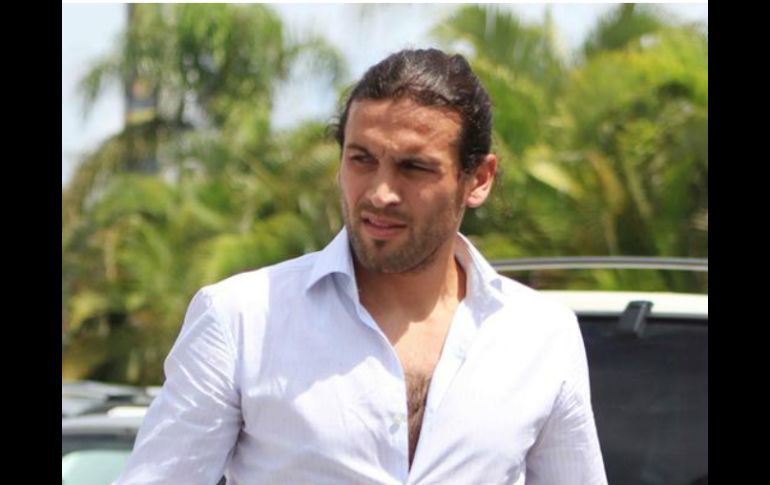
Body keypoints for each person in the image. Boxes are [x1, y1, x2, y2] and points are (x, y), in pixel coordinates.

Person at [117, 48, 607, 485]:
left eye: (414, 167)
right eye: (361, 159)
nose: (380, 192)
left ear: (478, 179)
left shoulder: (541, 336)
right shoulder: (242, 319)